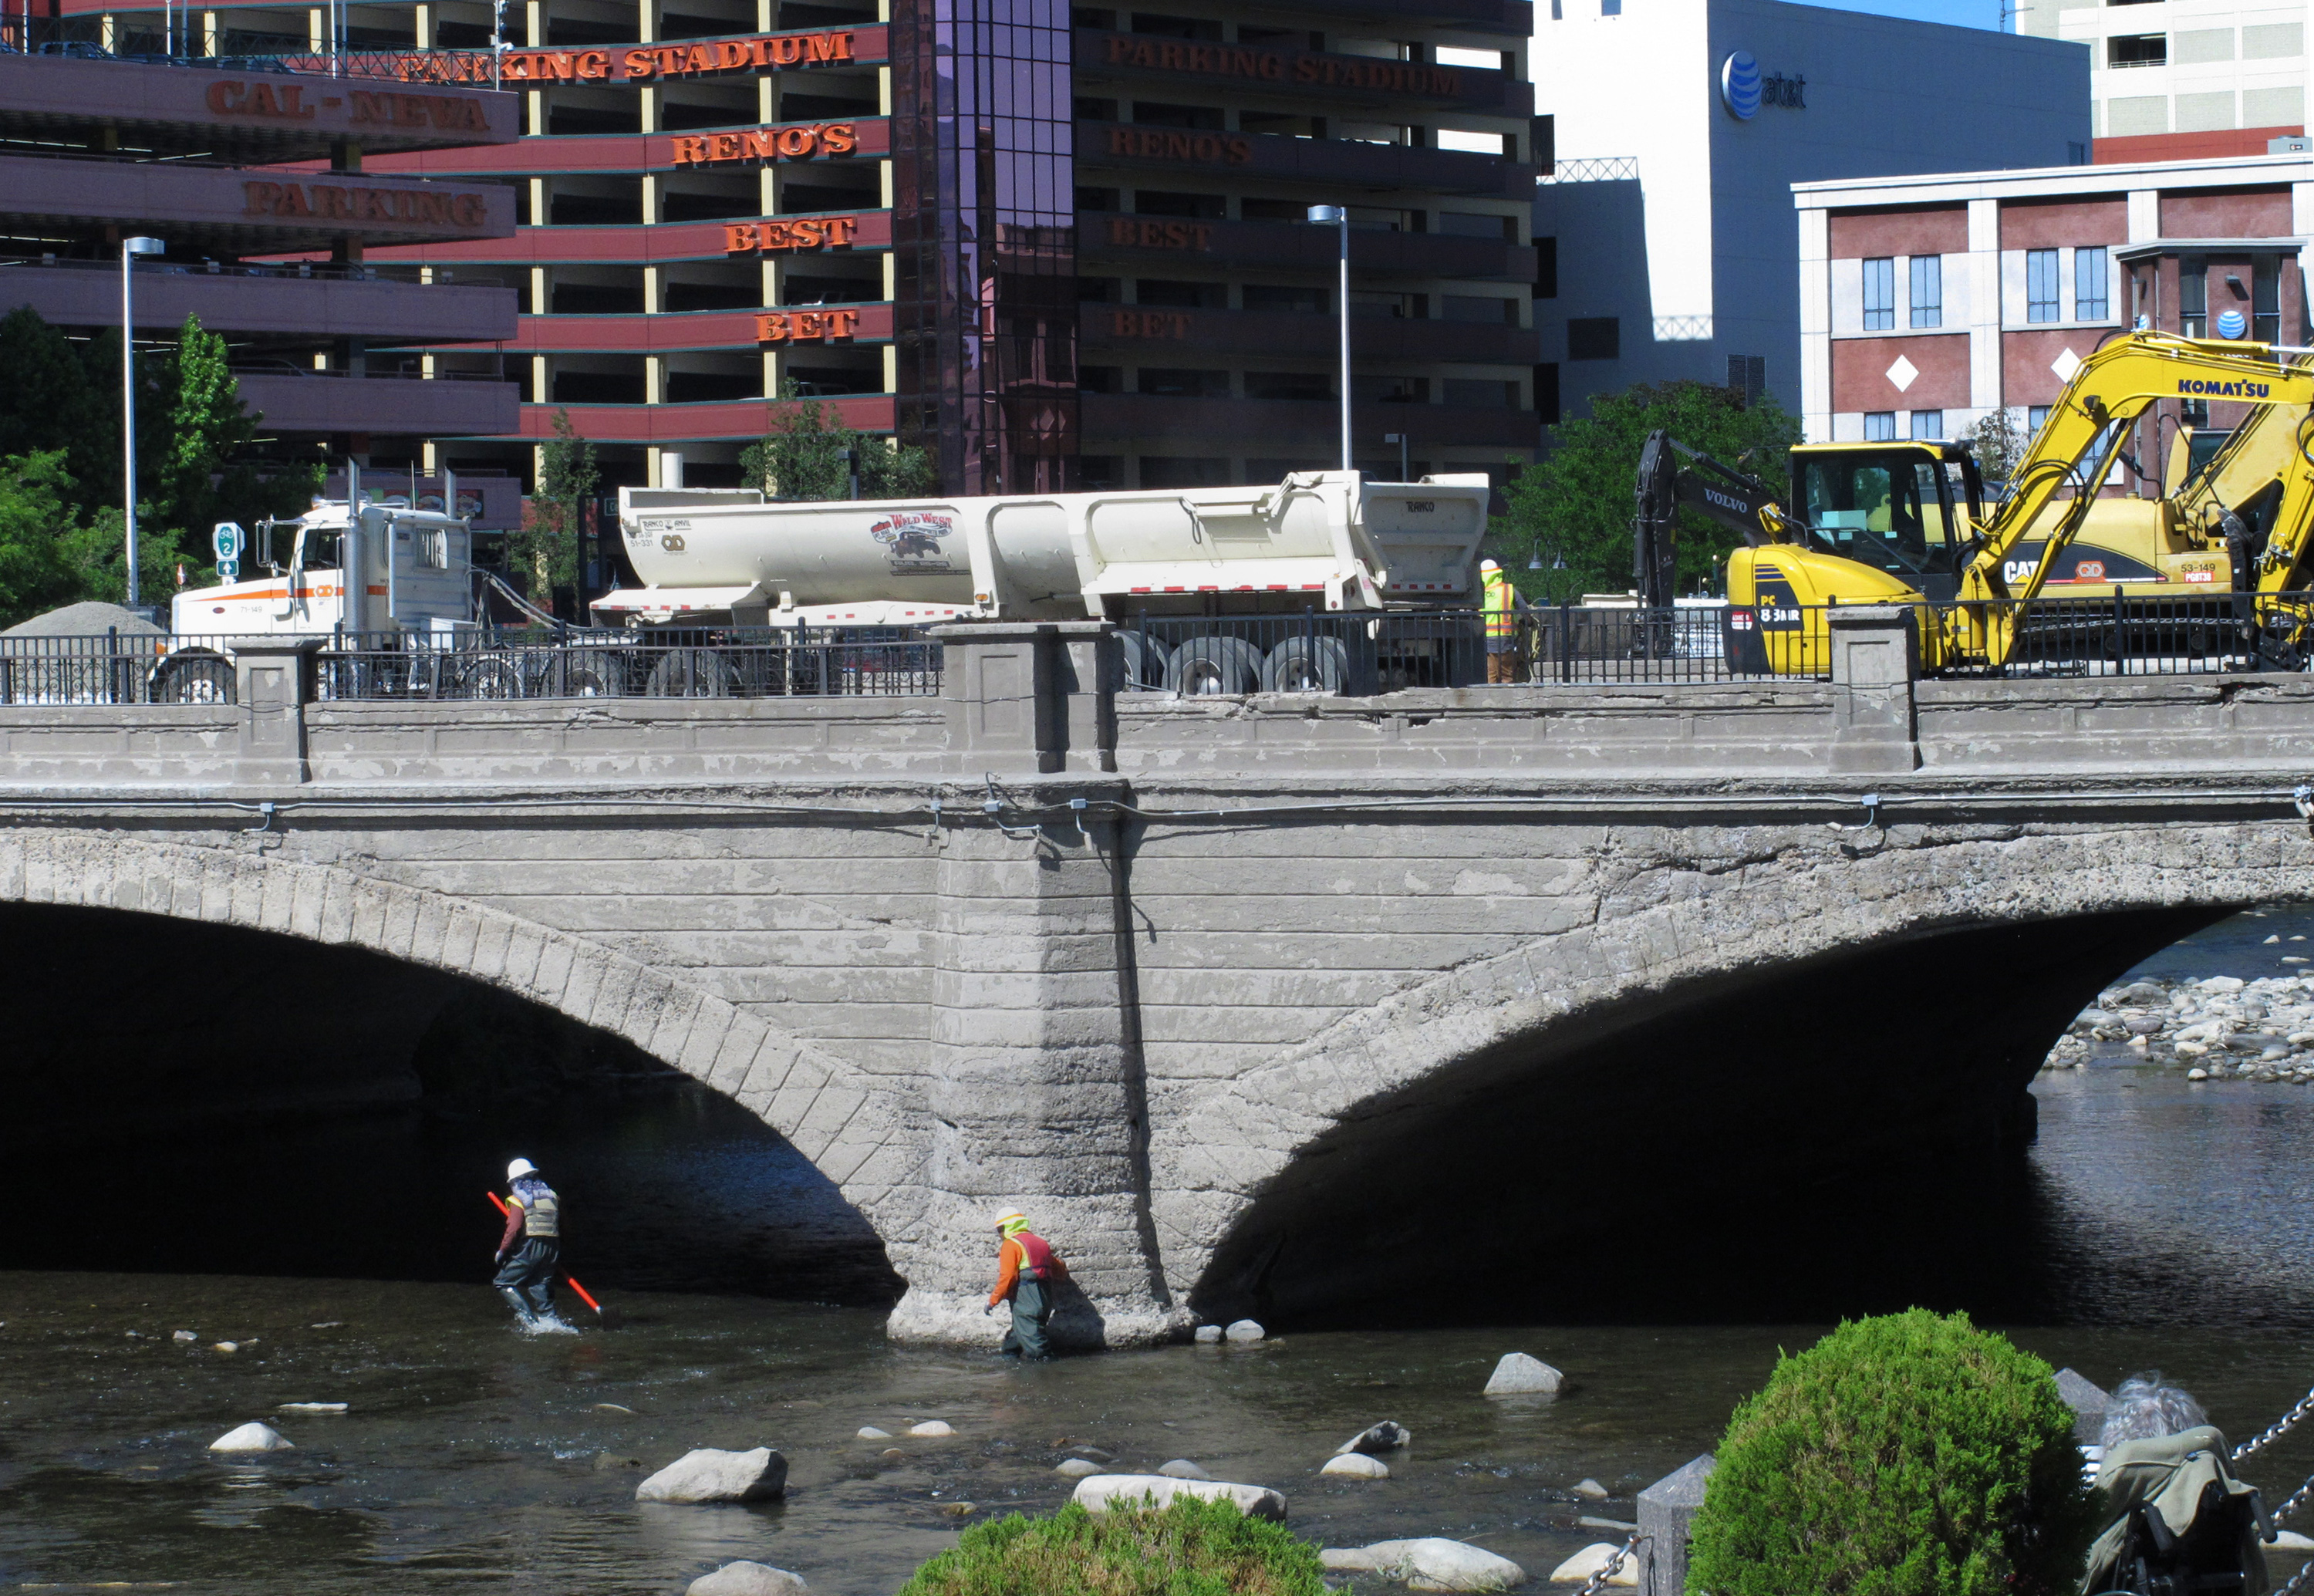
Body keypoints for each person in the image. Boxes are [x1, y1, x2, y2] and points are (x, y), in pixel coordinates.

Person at [494, 1158, 571, 1331]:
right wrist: (557, 1249)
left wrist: (503, 1250)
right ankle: (550, 1323)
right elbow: (564, 1224)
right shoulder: (552, 1195)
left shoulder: (518, 1199)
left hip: (531, 1246)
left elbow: (513, 1229)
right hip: (553, 1246)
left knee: (503, 1282)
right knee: (540, 1283)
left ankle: (528, 1322)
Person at [983, 1209, 1068, 1361]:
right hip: (1045, 1295)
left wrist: (993, 1301)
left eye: (999, 1230)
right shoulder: (1040, 1242)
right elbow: (1058, 1268)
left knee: (1036, 1345)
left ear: (1006, 1227)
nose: (999, 1235)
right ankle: (1010, 1356)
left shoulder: (1011, 1244)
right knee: (1020, 1331)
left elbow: (1007, 1277)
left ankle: (1046, 1374)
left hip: (1027, 1295)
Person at [1480, 558, 1522, 683]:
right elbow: (1524, 608)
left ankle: (1490, 699)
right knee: (1506, 674)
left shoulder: (1480, 592)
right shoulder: (1508, 590)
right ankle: (1507, 699)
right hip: (1504, 636)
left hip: (1486, 636)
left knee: (1491, 673)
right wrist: (1528, 622)